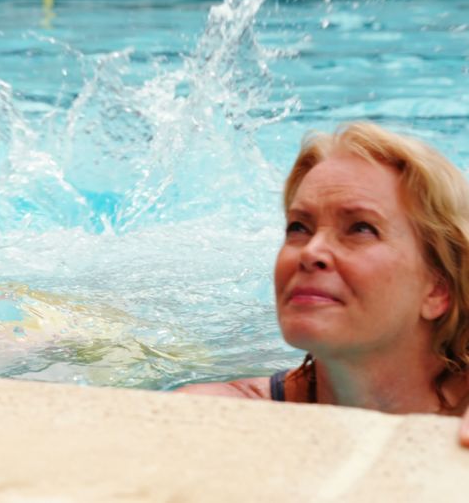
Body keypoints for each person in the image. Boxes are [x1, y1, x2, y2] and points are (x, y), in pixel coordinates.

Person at [177, 122, 469, 447]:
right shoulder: (218, 412)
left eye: (360, 228)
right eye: (299, 227)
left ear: (437, 288)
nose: (311, 251)